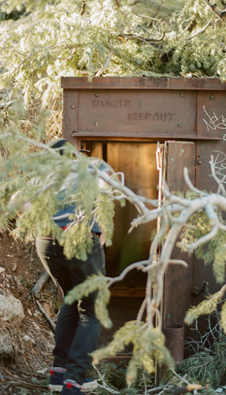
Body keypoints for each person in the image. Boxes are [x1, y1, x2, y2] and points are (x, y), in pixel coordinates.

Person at [36, 138, 107, 394]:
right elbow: (106, 195)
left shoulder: (42, 173)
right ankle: (74, 381)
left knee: (70, 299)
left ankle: (59, 374)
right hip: (79, 239)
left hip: (44, 240)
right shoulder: (93, 166)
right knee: (91, 309)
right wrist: (100, 231)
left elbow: (22, 204)